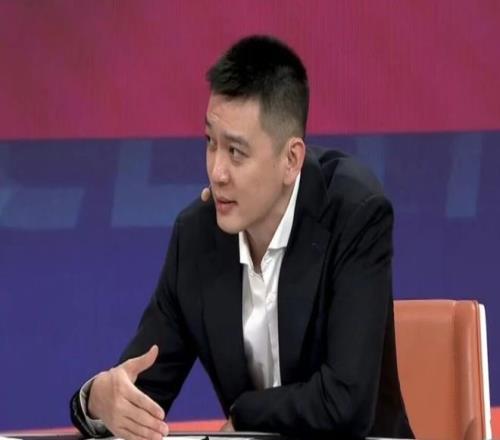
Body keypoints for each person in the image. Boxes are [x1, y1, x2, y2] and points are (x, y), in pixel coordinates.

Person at [70, 35, 414, 439]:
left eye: (236, 152)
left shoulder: (354, 213)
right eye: (210, 143)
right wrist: (98, 399)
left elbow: (346, 402)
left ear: (291, 159)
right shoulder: (197, 238)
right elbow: (140, 392)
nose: (217, 172)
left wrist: (246, 414)